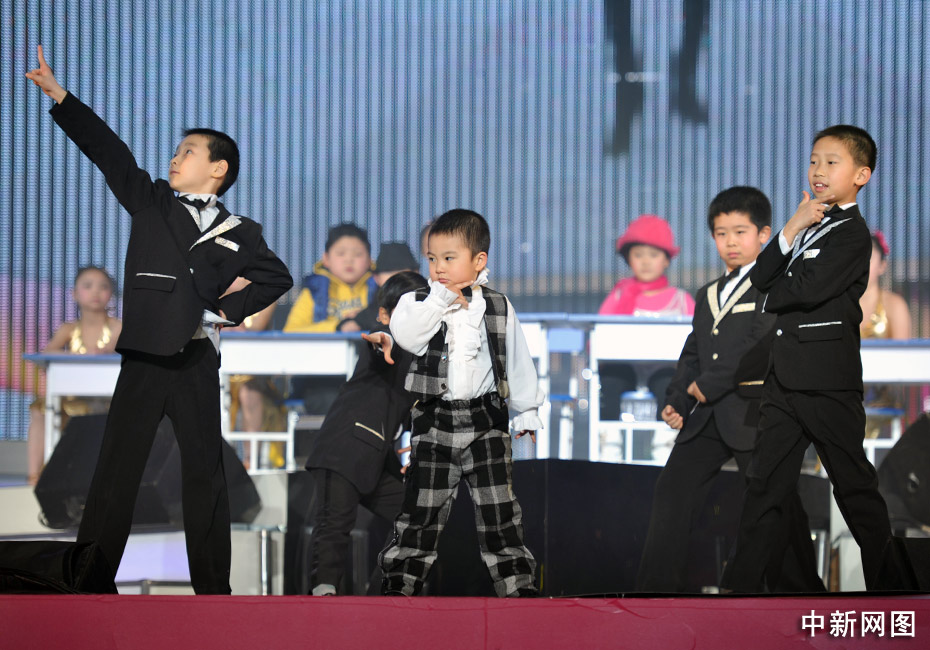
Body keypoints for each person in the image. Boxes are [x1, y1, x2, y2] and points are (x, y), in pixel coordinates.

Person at [26, 46, 293, 594]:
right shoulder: (152, 202)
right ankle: (91, 577)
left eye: (187, 152)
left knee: (204, 473)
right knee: (117, 468)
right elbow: (110, 152)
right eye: (175, 151)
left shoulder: (242, 231)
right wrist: (60, 97)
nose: (175, 159)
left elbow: (277, 278)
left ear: (217, 169)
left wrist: (226, 310)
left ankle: (213, 590)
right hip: (146, 354)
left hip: (196, 359)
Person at [720, 125, 909, 592]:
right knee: (764, 486)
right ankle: (737, 593)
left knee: (853, 486)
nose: (818, 171)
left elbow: (800, 290)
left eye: (831, 162)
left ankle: (893, 591)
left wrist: (774, 290)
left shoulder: (854, 235)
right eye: (814, 161)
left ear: (861, 175)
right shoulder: (809, 226)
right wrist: (790, 227)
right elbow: (760, 277)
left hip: (826, 380)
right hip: (784, 379)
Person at [636, 186, 823, 593]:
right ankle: (656, 592)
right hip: (708, 416)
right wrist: (677, 399)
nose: (730, 242)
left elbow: (760, 342)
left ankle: (801, 591)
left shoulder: (773, 283)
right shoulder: (707, 293)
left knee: (773, 501)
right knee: (673, 488)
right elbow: (693, 351)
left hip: (756, 411)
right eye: (722, 234)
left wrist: (708, 384)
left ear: (764, 234)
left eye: (740, 232)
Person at [378, 209, 543, 597]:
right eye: (432, 258)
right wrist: (438, 301)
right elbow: (408, 337)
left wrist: (527, 410)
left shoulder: (498, 305)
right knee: (422, 510)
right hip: (435, 420)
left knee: (499, 511)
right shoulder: (417, 301)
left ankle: (517, 586)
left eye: (449, 258)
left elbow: (517, 359)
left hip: (487, 420)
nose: (439, 267)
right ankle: (400, 584)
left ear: (478, 260)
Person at [304, 271, 428, 596]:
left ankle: (383, 593)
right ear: (385, 315)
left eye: (421, 310)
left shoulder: (424, 356)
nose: (415, 318)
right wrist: (383, 338)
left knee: (414, 515)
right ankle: (322, 598)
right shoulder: (387, 341)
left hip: (377, 461)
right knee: (334, 527)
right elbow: (380, 342)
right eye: (405, 310)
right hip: (344, 450)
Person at [598, 214, 695, 429]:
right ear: (628, 258)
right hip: (624, 368)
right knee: (610, 383)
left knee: (670, 388)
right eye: (638, 255)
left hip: (666, 369)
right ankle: (608, 440)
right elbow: (600, 336)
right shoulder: (618, 296)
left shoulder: (681, 300)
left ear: (666, 260)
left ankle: (665, 442)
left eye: (653, 255)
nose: (645, 261)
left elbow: (698, 340)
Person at [27, 266, 122, 485]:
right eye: (88, 286)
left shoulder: (118, 326)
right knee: (40, 410)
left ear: (110, 294)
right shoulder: (69, 329)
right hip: (74, 399)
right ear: (74, 293)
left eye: (103, 287)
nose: (95, 292)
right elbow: (47, 353)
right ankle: (34, 477)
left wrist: (106, 350)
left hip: (108, 399)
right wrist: (74, 355)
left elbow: (115, 350)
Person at [283, 223, 377, 334]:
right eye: (341, 253)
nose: (349, 260)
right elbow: (290, 332)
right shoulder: (314, 291)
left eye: (357, 254)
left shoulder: (379, 289)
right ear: (326, 259)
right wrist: (338, 326)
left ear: (369, 260)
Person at [342, 242, 419, 332]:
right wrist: (349, 324)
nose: (395, 279)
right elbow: (348, 326)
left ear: (416, 273)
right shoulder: (374, 310)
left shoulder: (426, 303)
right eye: (389, 272)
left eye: (401, 272)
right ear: (376, 278)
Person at [860, 231, 911, 340]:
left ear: (882, 266)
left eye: (869, 259)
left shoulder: (895, 305)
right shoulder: (838, 303)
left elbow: (903, 348)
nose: (861, 265)